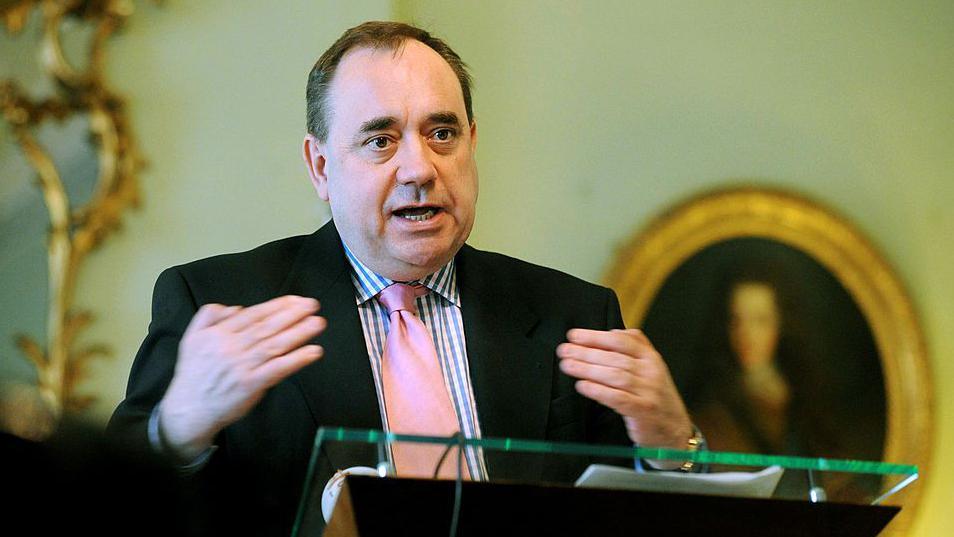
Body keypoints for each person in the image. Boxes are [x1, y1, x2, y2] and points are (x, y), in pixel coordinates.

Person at [109, 21, 698, 536]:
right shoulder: (222, 302)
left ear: (473, 142)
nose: (420, 168)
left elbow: (654, 521)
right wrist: (174, 432)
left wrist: (673, 447)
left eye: (442, 133)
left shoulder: (573, 314)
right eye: (381, 140)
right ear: (320, 167)